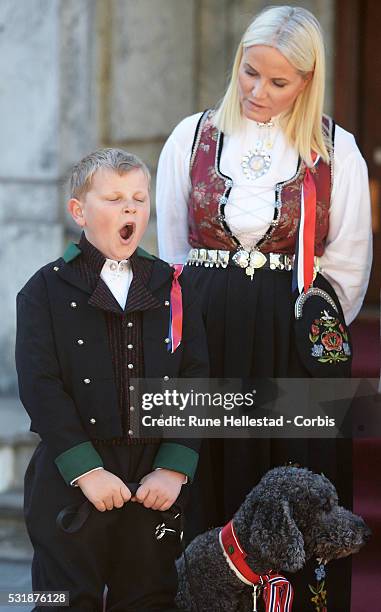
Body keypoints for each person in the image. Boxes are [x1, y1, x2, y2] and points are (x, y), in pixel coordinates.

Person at [156, 5, 372, 610]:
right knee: (208, 476)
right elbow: (174, 249)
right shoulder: (190, 136)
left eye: (279, 82)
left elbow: (349, 267)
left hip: (291, 341)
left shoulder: (338, 151)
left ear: (307, 80)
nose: (258, 90)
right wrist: (202, 319)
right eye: (250, 73)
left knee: (295, 484)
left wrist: (303, 336)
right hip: (209, 330)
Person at [16, 148, 208, 611]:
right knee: (63, 599)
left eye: (140, 199)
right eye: (115, 198)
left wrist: (174, 466)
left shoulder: (172, 285)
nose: (130, 209)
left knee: (150, 597)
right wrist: (87, 469)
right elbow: (40, 386)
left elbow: (195, 376)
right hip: (72, 476)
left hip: (153, 482)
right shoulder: (44, 289)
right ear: (79, 211)